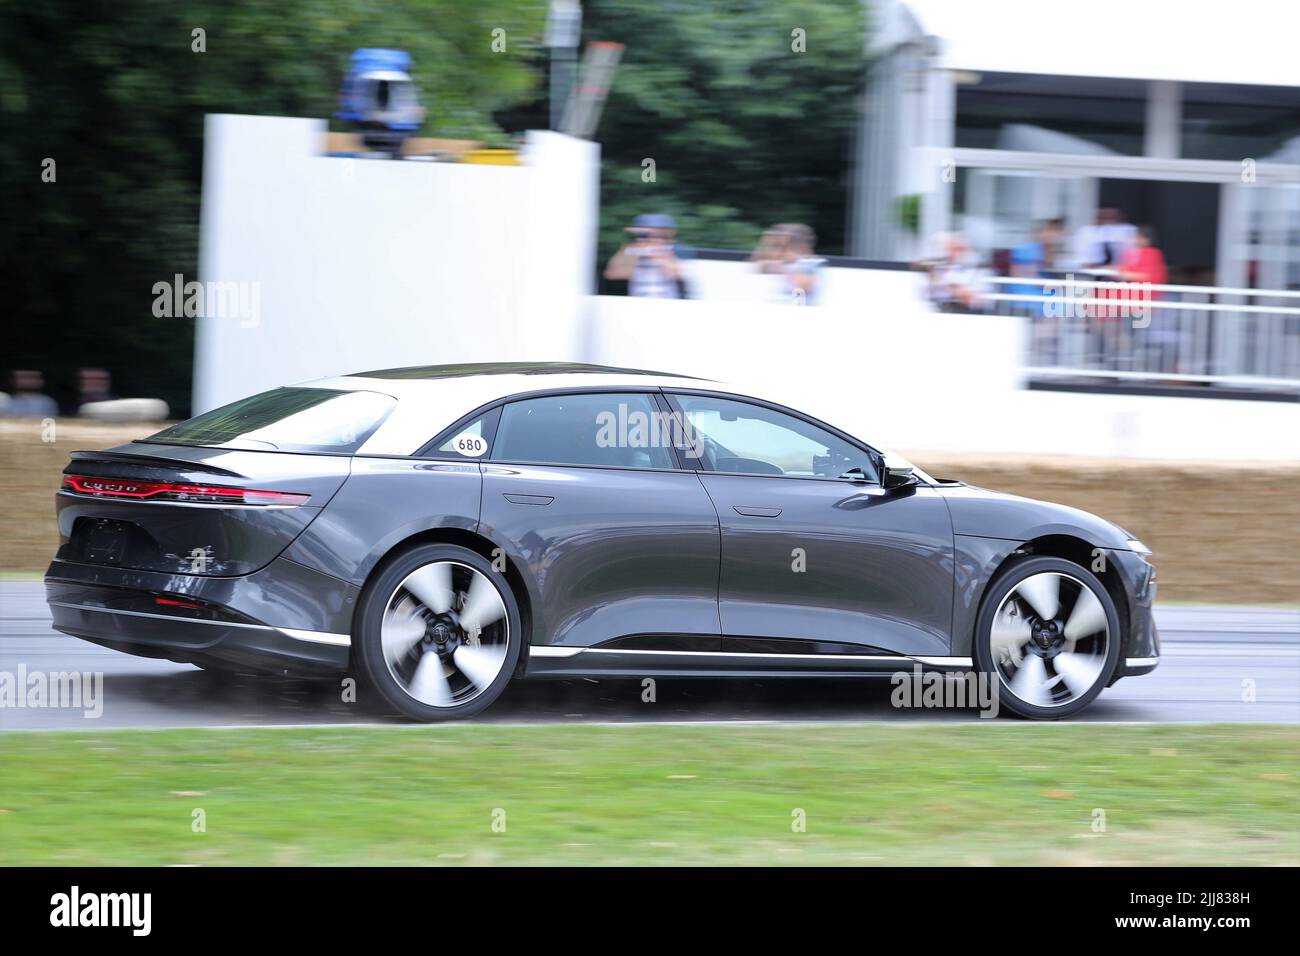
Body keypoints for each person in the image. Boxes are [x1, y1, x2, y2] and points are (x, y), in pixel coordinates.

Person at [603, 214, 690, 299]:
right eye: (647, 233)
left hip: (667, 303)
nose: (652, 236)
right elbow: (612, 274)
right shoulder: (633, 250)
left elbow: (676, 274)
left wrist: (654, 252)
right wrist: (630, 247)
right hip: (640, 302)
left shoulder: (675, 249)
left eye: (658, 232)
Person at [751, 223, 824, 305]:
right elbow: (759, 265)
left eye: (784, 246)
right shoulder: (786, 264)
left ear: (801, 246)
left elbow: (803, 287)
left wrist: (785, 269)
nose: (781, 251)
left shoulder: (811, 264)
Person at [921, 233, 989, 314]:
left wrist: (944, 284)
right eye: (948, 249)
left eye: (956, 249)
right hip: (940, 309)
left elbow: (970, 298)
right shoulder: (942, 266)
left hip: (966, 313)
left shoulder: (976, 267)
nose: (950, 253)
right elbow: (929, 292)